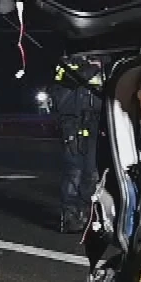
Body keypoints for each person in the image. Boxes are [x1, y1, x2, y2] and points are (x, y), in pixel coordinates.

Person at [51, 57, 105, 233]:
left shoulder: (104, 62)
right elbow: (70, 80)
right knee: (74, 172)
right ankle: (69, 218)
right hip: (73, 125)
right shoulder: (68, 63)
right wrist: (93, 67)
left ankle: (87, 216)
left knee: (92, 174)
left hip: (96, 125)